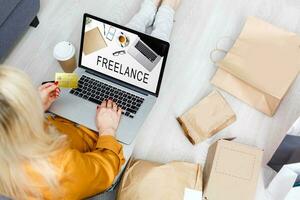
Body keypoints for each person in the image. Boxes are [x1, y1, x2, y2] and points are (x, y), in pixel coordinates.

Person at [0, 66, 125, 199]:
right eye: (27, 97)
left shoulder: (8, 142)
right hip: (100, 158)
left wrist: (36, 108)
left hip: (66, 129)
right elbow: (105, 170)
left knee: (79, 79)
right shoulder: (58, 171)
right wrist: (108, 129)